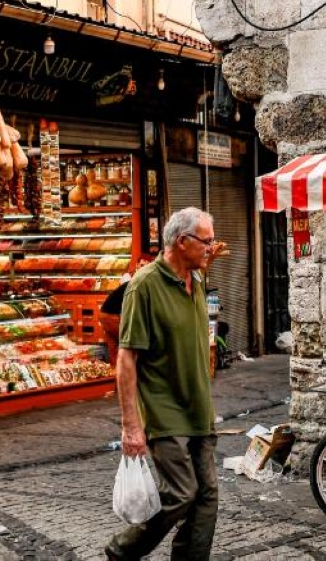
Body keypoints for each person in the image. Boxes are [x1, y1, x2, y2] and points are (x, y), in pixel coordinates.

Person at [105, 208, 225, 561]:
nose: (211, 247)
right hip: (163, 410)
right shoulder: (144, 287)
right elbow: (126, 360)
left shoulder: (196, 279)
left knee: (207, 496)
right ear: (181, 241)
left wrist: (207, 257)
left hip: (198, 407)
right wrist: (131, 426)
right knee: (181, 494)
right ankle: (123, 549)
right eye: (206, 240)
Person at [100, 255, 154, 367]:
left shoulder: (135, 280)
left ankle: (115, 374)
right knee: (129, 343)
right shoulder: (137, 281)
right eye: (142, 265)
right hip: (112, 315)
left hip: (105, 313)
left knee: (114, 348)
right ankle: (128, 371)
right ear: (137, 266)